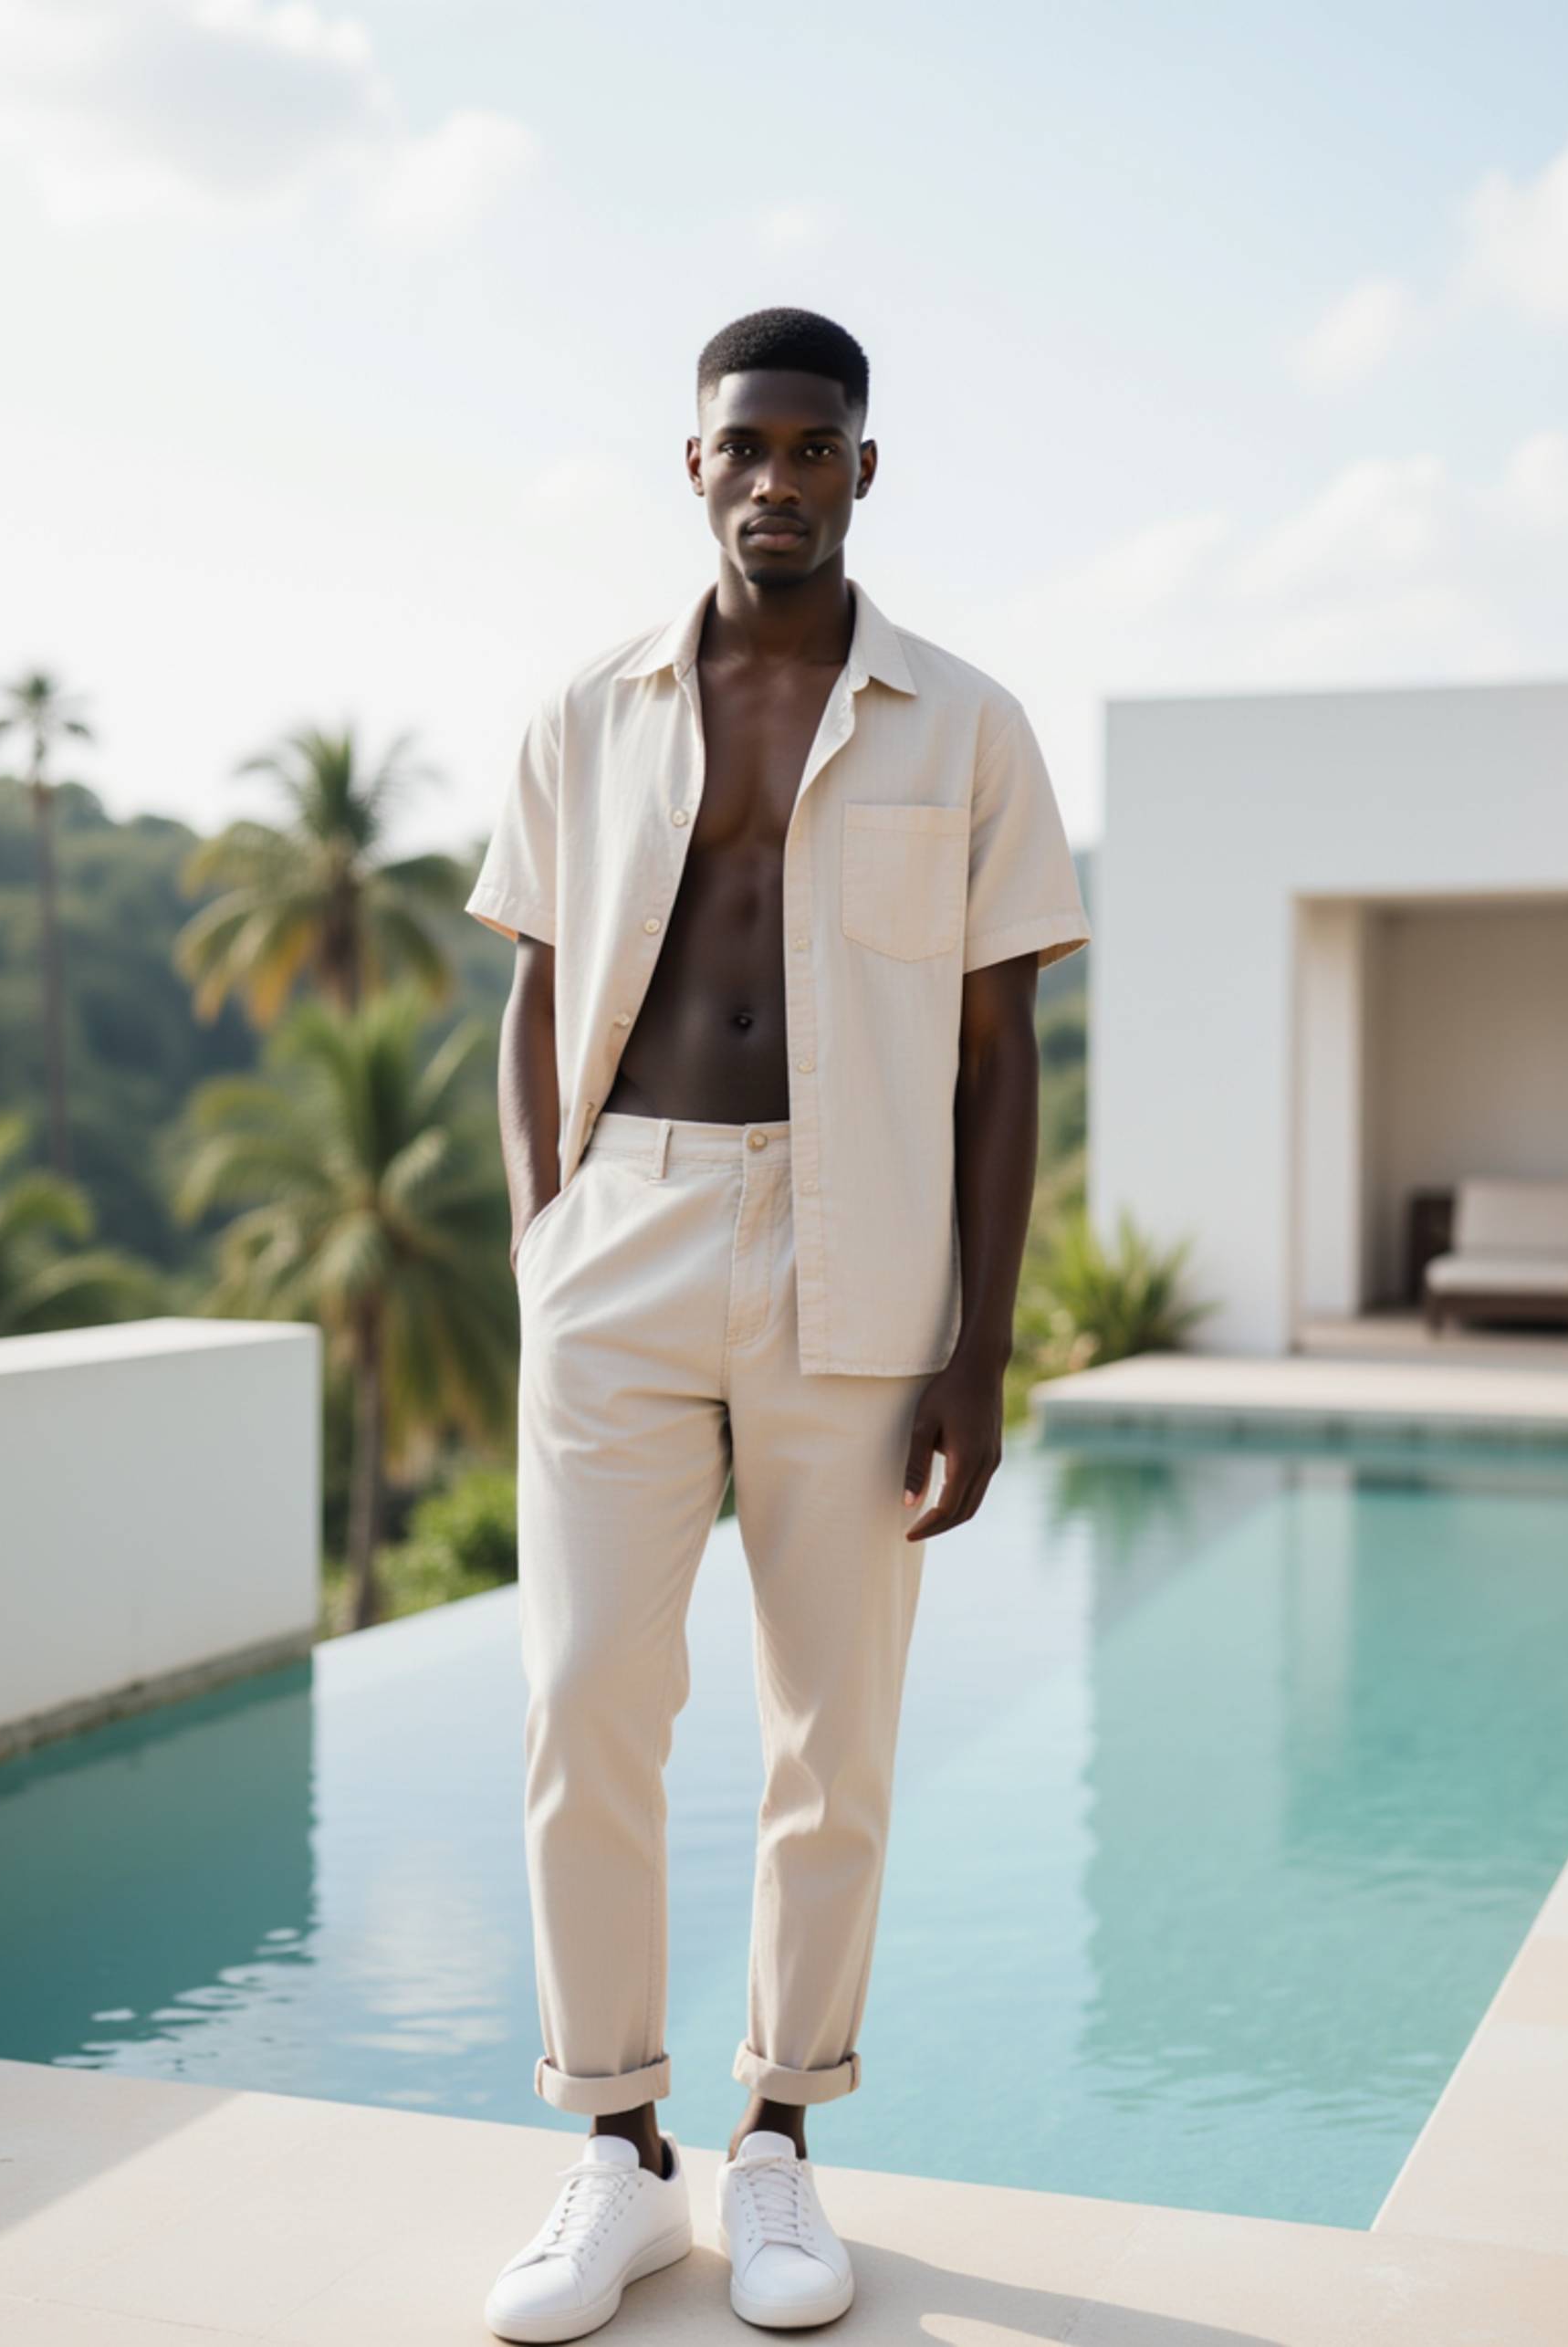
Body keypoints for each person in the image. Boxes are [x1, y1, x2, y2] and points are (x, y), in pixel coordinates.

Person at [473, 306, 1090, 2341]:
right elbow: (535, 995)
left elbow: (1003, 1055)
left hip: (863, 1256)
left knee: (834, 1730)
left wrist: (978, 1344)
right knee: (584, 1696)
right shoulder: (587, 711)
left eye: (814, 447)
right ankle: (616, 2149)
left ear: (861, 471)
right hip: (623, 1229)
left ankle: (776, 2147)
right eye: (747, 443)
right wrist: (544, 1246)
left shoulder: (968, 723)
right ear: (695, 463)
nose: (778, 476)